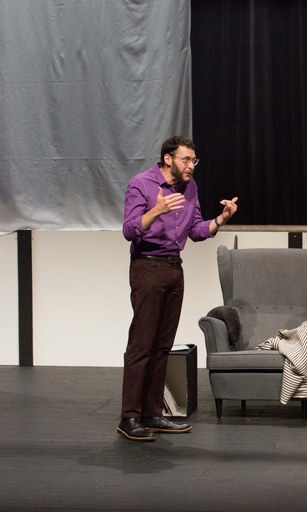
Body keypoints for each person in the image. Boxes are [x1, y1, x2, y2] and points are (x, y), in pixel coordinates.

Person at [118, 135, 238, 442]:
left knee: (162, 345)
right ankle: (129, 416)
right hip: (147, 267)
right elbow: (129, 230)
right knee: (142, 344)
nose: (191, 166)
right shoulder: (141, 184)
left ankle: (152, 413)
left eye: (194, 160)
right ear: (168, 158)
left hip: (174, 268)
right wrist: (155, 211)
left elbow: (196, 230)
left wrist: (220, 219)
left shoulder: (190, 187)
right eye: (186, 159)